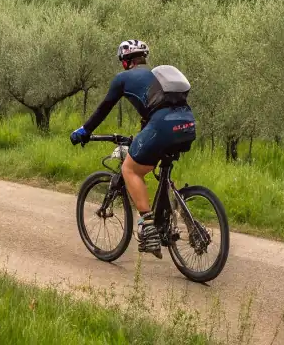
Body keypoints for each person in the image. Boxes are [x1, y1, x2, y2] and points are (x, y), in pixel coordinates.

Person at [70, 39, 196, 256]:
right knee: (155, 166)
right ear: (143, 59)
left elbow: (103, 109)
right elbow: (154, 114)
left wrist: (85, 130)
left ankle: (148, 224)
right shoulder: (157, 78)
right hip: (187, 123)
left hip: (162, 124)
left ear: (125, 62)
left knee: (130, 170)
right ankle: (168, 223)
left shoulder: (123, 78)